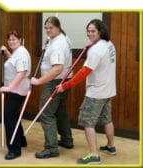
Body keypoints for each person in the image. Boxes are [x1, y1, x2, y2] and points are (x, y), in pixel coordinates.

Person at [56, 19, 116, 164]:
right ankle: (110, 146)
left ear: (100, 32)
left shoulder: (96, 50)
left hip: (96, 93)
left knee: (88, 123)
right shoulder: (109, 44)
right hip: (108, 90)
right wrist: (91, 45)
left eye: (93, 31)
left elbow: (84, 72)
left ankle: (94, 155)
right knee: (107, 119)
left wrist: (65, 85)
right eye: (88, 31)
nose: (89, 34)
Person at [30, 16, 74, 159]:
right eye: (46, 28)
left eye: (51, 28)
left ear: (58, 27)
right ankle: (67, 140)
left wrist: (39, 81)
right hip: (65, 80)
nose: (48, 31)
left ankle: (51, 149)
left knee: (46, 114)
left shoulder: (57, 45)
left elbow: (57, 68)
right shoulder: (63, 38)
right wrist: (47, 48)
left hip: (54, 82)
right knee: (60, 111)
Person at [0, 30, 29, 160]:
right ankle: (21, 140)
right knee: (14, 115)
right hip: (16, 89)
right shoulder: (18, 52)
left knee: (9, 118)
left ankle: (14, 149)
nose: (11, 42)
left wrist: (9, 87)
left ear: (20, 39)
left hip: (17, 90)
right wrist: (6, 52)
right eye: (9, 39)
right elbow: (13, 63)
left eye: (14, 39)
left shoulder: (21, 53)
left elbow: (21, 72)